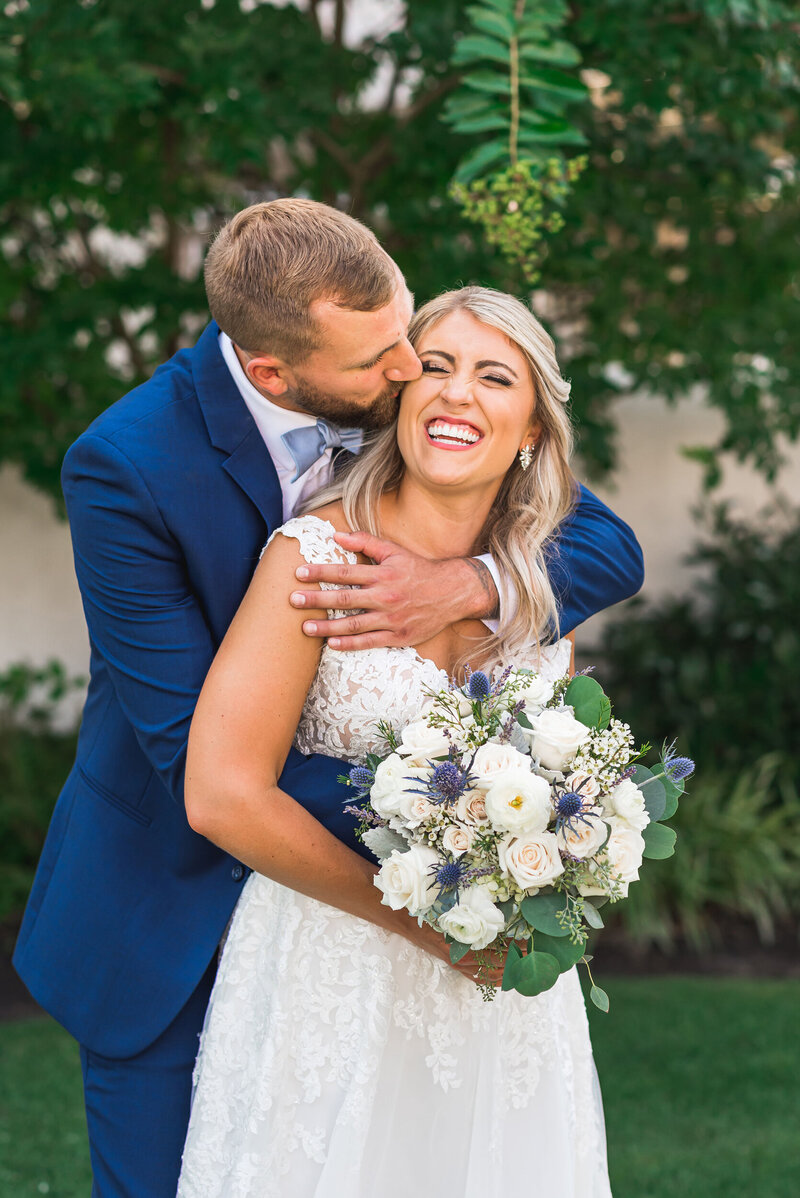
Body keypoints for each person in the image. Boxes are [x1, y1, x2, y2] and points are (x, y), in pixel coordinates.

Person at [13, 201, 640, 1198]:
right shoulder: (126, 468)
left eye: (412, 343)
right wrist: (456, 843)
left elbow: (605, 542)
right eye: (394, 363)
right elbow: (202, 762)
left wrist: (470, 584)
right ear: (274, 374)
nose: (411, 373)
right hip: (169, 903)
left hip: (432, 935)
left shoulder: (392, 358)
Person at [177, 285, 614, 1197]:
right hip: (331, 964)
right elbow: (222, 794)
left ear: (531, 427)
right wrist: (430, 928)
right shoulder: (316, 557)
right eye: (437, 368)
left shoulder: (545, 592)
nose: (457, 394)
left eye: (495, 376)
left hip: (504, 985)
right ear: (401, 399)